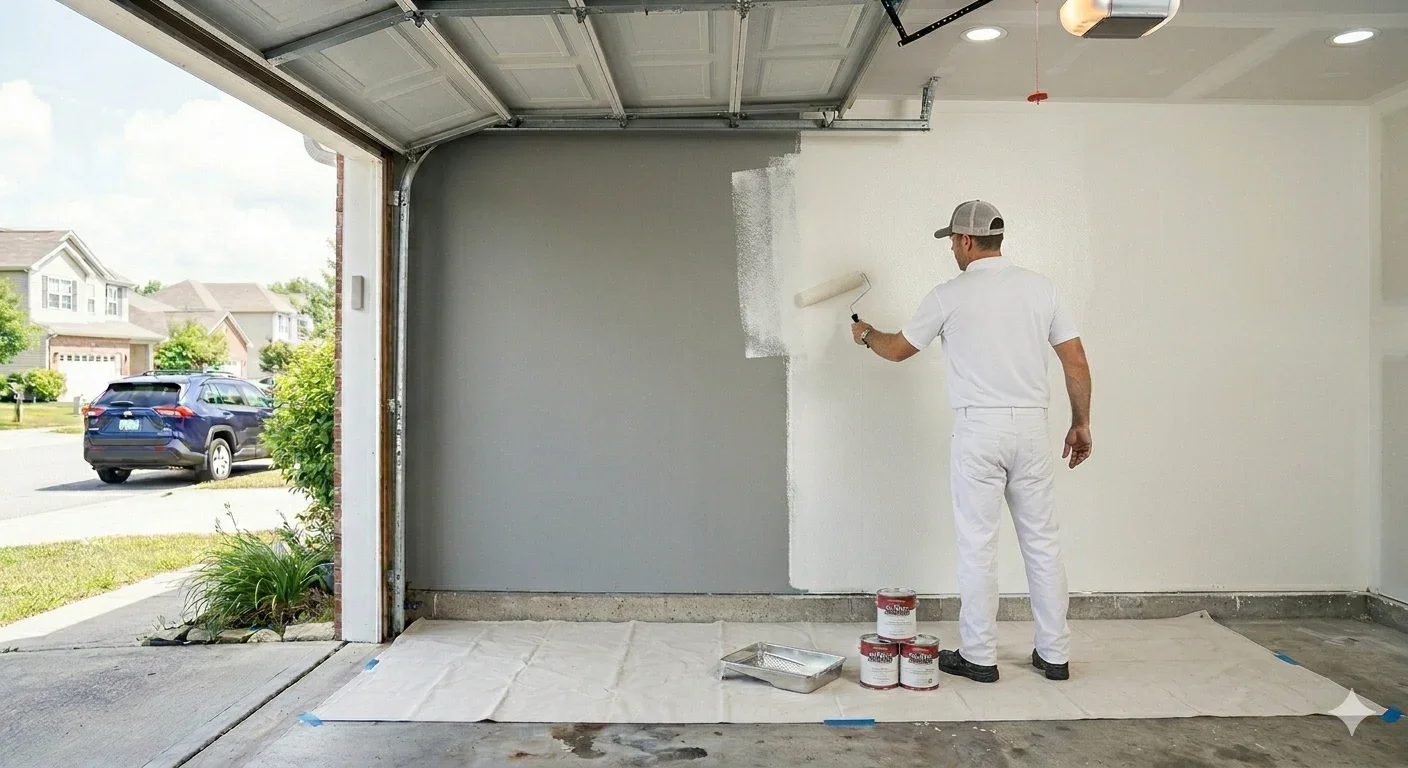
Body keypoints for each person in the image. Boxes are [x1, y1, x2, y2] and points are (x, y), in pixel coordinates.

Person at [850, 200, 1092, 683]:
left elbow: (897, 350)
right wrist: (1080, 423)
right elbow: (1076, 363)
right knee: (1043, 544)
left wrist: (865, 334)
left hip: (980, 430)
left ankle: (980, 657)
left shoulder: (949, 295)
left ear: (964, 240)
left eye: (952, 243)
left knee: (979, 545)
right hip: (1031, 428)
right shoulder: (1042, 289)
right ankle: (1055, 656)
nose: (953, 252)